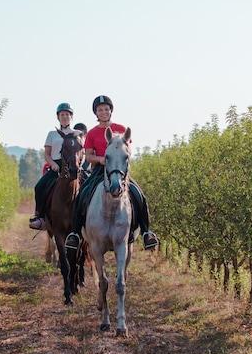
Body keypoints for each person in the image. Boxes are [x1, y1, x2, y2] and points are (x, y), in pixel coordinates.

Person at [65, 95, 159, 252]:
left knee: (139, 195)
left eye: (106, 109)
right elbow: (88, 156)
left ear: (111, 111)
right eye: (100, 110)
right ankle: (75, 233)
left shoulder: (122, 129)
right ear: (96, 113)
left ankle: (146, 232)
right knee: (81, 195)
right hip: (99, 171)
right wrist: (101, 159)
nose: (103, 112)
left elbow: (127, 151)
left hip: (120, 171)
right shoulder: (93, 133)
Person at [28, 103, 81, 230]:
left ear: (71, 117)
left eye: (67, 114)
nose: (65, 117)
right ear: (58, 117)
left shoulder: (77, 134)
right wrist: (52, 164)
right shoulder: (52, 134)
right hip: (56, 165)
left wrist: (78, 164)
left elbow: (81, 152)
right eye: (62, 114)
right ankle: (40, 217)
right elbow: (47, 154)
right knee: (39, 187)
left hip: (73, 166)